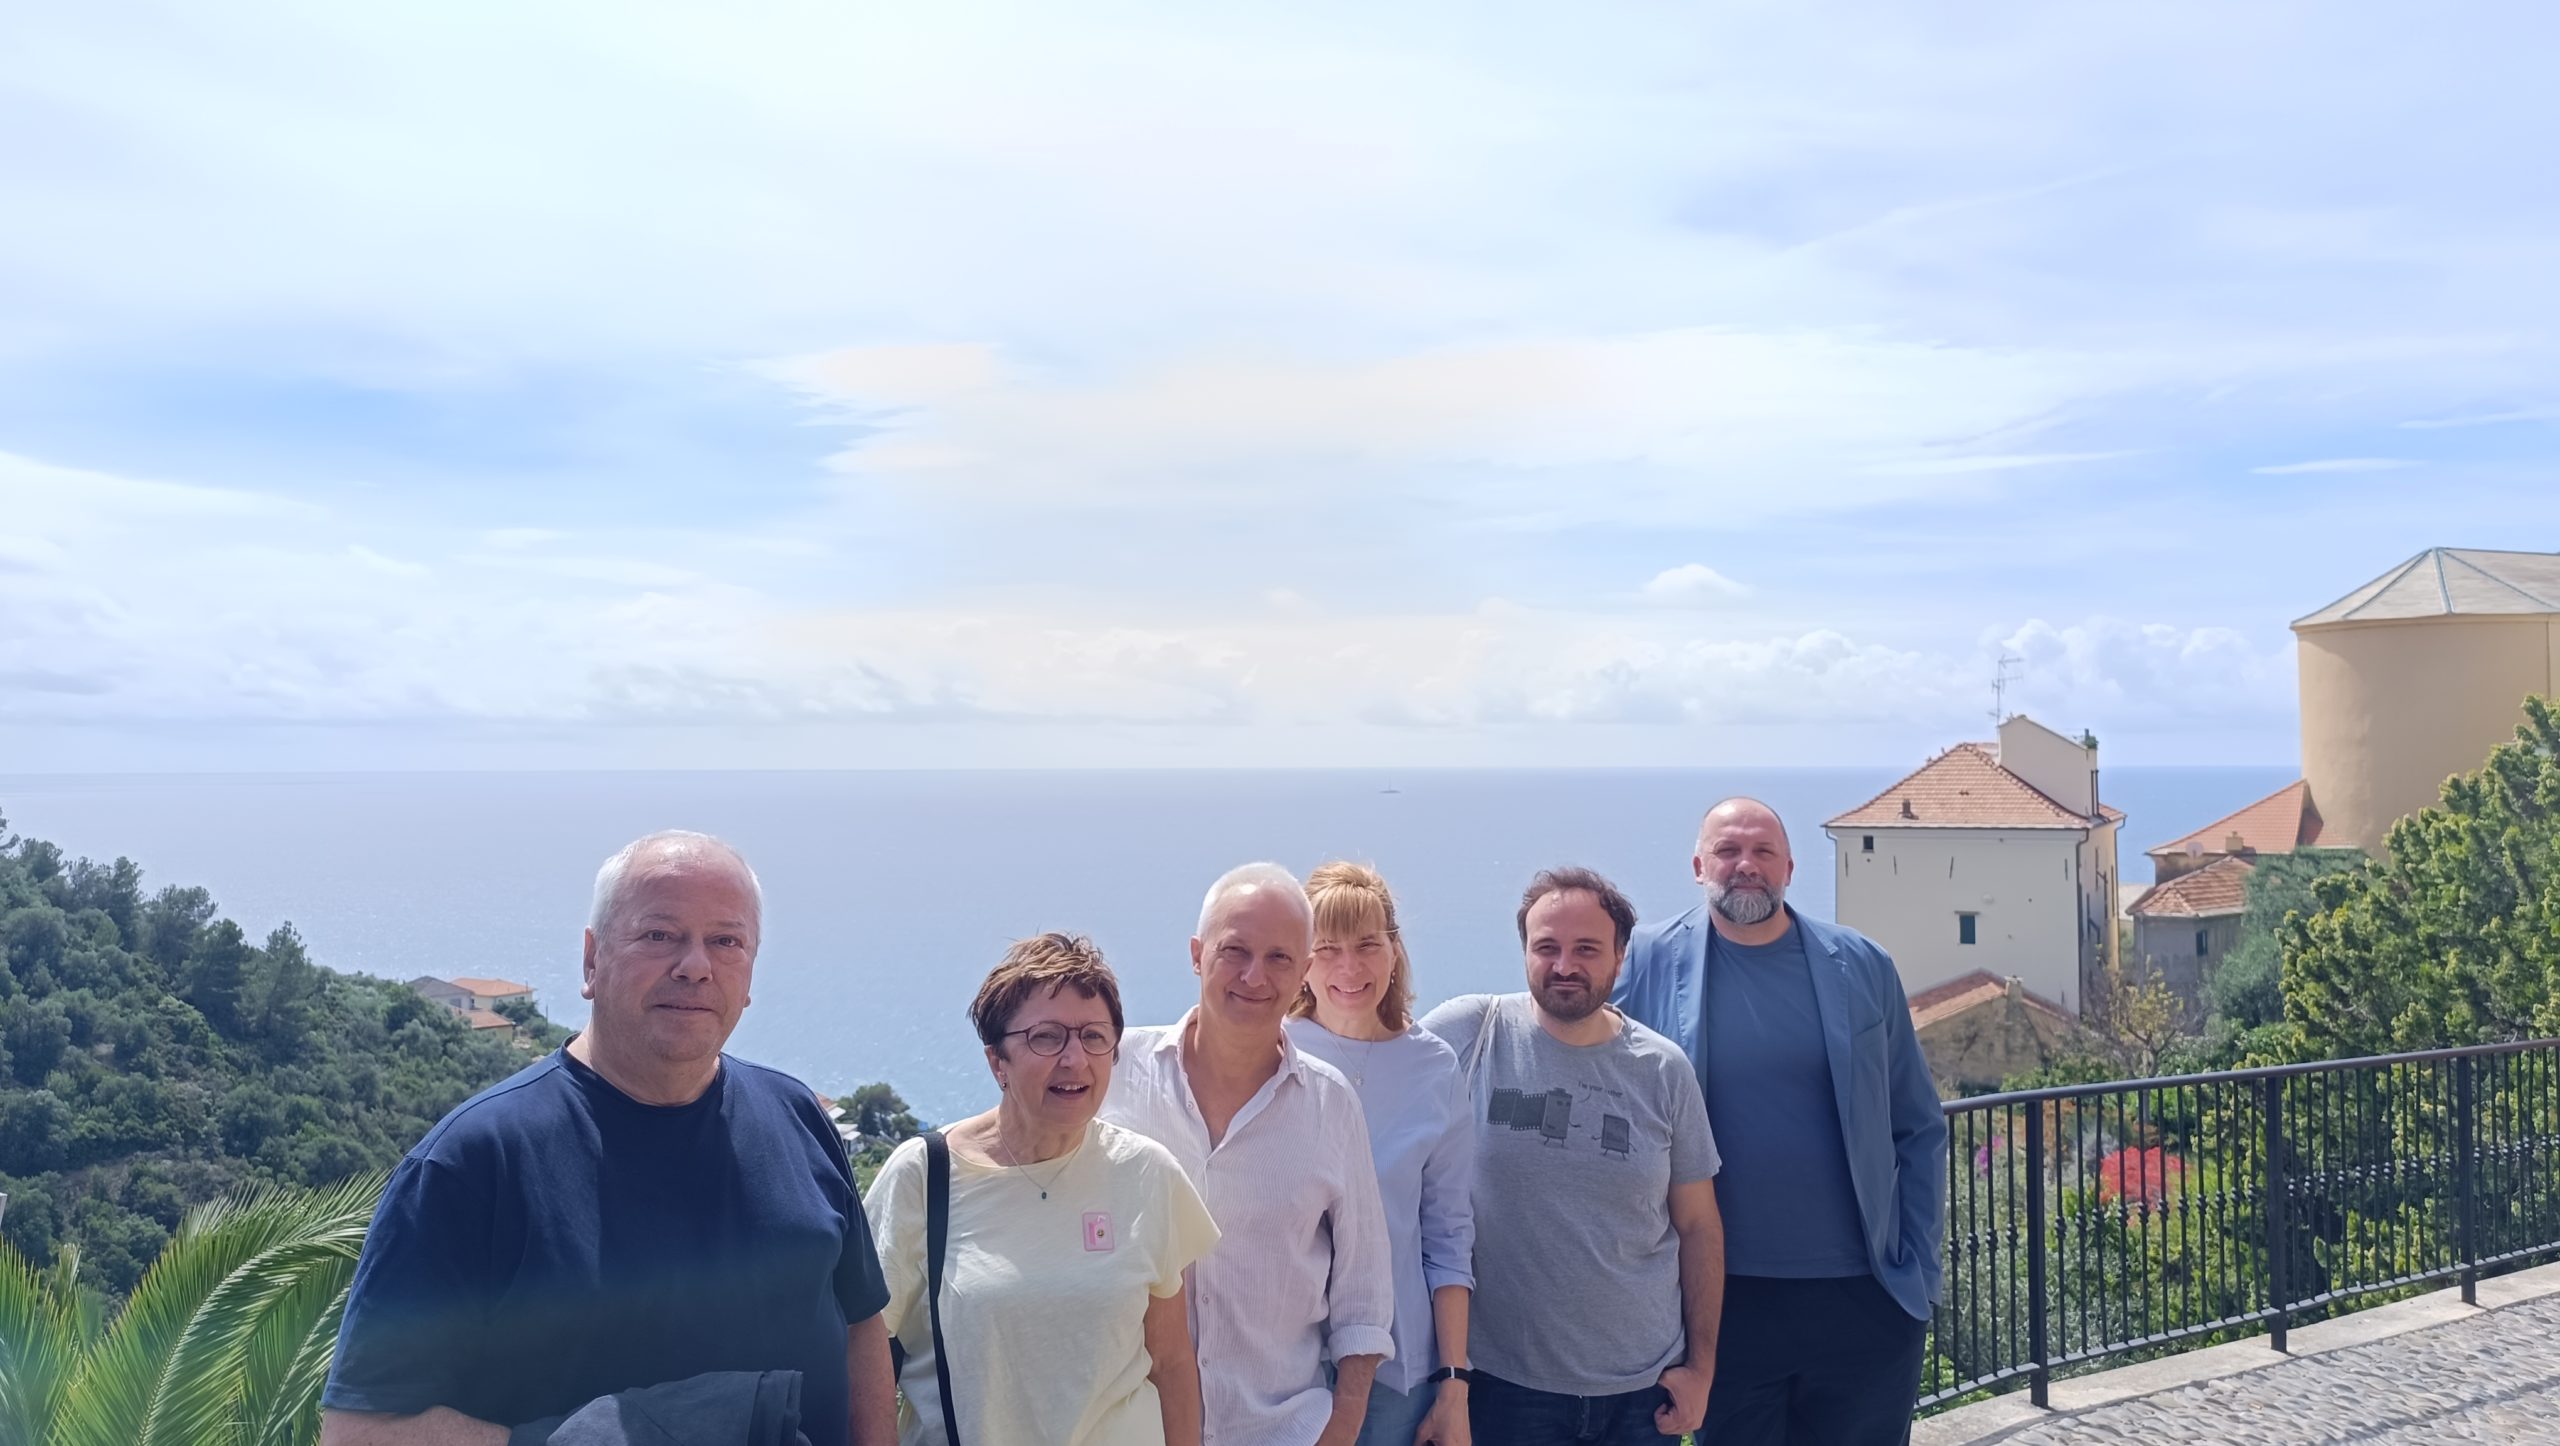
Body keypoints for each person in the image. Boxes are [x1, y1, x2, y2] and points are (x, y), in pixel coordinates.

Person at [320, 830, 898, 1446]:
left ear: (750, 973)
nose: (695, 966)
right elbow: (359, 1430)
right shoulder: (472, 1164)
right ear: (592, 960)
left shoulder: (798, 1116)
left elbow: (860, 1324)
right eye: (659, 935)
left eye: (725, 941)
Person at [1613, 798, 1948, 1446]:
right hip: (1717, 1304)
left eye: (1763, 852)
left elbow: (1918, 1125)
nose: (1746, 865)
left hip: (1865, 1297)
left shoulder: (1863, 964)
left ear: (1789, 868)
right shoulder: (1646, 958)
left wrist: (1917, 1277)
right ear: (1698, 865)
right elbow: (1585, 1058)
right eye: (1728, 851)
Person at [866, 933, 1219, 1446]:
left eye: (1094, 1036)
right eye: (1047, 1037)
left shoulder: (1146, 1173)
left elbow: (1170, 1362)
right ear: (997, 1061)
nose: (1075, 1059)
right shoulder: (924, 1177)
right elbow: (865, 1353)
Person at [1421, 867, 1724, 1446]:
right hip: (1503, 1387)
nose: (1564, 966)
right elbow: (1373, 1057)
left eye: (1586, 948)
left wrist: (1701, 1369)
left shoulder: (1663, 1069)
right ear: (1524, 951)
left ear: (1620, 956)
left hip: (1641, 1393)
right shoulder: (1473, 1032)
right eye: (1547, 947)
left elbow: (1699, 1226)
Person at [1101, 862, 1397, 1446]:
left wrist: (1341, 1429)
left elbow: (1364, 1294)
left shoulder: (1331, 1104)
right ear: (1197, 955)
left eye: (1279, 957)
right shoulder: (1115, 1071)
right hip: (1134, 1430)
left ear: (1304, 971)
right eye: (1235, 951)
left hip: (1285, 1431)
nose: (1254, 976)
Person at [1284, 863, 1476, 1446]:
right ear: (1302, 960)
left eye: (1367, 945)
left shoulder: (1434, 1066)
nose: (1349, 967)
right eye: (1327, 948)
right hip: (1283, 1363)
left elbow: (1448, 1236)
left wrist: (1454, 1384)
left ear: (1394, 950)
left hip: (1399, 1370)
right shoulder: (1271, 1050)